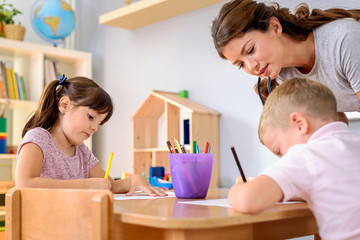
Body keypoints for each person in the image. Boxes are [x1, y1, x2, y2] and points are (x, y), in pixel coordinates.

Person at [227, 78, 360, 239]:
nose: (283, 159)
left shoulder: (306, 154)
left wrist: (236, 190)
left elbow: (247, 201)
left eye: (280, 151)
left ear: (299, 124)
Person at [15, 75, 166, 197]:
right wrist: (87, 185)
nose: (94, 128)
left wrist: (134, 180)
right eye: (91, 117)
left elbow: (108, 185)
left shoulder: (82, 152)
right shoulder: (38, 138)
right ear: (65, 105)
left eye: (99, 124)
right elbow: (24, 182)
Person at [211, 0, 360, 122]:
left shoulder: (344, 41)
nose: (251, 66)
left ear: (275, 27)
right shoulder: (284, 73)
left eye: (250, 50)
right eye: (240, 64)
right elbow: (335, 123)